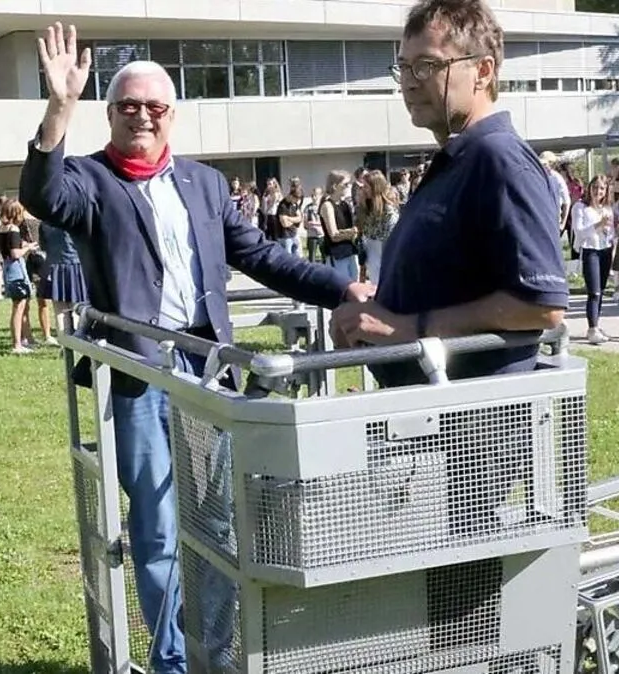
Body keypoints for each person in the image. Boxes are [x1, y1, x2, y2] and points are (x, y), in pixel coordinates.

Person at [19, 23, 369, 674]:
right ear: (111, 114)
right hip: (139, 375)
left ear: (171, 116)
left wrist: (342, 286)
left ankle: (216, 651)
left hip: (210, 373)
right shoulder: (90, 182)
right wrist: (59, 107)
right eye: (129, 107)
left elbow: (262, 256)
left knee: (219, 524)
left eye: (155, 107)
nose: (143, 117)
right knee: (156, 525)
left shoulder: (206, 185)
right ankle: (173, 662)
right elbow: (42, 194)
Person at [331, 0, 568, 389]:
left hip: (474, 432)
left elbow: (541, 307)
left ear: (483, 70)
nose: (409, 81)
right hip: (429, 418)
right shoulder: (456, 159)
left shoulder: (499, 158)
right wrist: (377, 310)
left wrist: (409, 327)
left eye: (427, 65)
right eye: (403, 67)